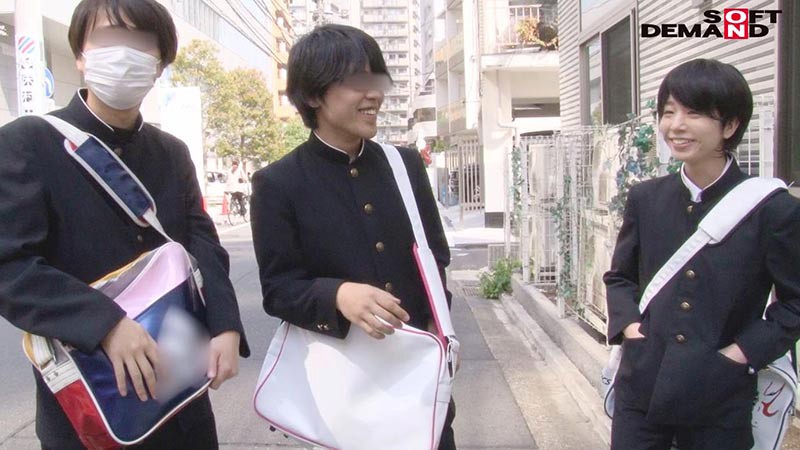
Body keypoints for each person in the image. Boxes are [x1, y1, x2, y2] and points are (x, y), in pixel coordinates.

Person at [0, 1, 249, 448]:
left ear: (159, 64)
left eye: (140, 42)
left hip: (183, 395)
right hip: (91, 402)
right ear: (80, 55)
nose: (124, 52)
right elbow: (10, 265)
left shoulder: (171, 152)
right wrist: (106, 324)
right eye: (109, 37)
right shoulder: (28, 142)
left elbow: (202, 243)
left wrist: (226, 324)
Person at [250, 24, 457, 449]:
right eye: (357, 82)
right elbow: (279, 290)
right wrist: (338, 295)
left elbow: (435, 258)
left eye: (377, 81)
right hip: (342, 400)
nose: (374, 95)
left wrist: (436, 334)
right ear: (313, 95)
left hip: (421, 390)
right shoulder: (278, 183)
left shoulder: (405, 166)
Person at [604, 58, 800, 450]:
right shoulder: (646, 198)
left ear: (730, 126)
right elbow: (620, 277)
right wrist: (631, 329)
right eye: (668, 112)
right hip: (641, 391)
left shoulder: (772, 209)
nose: (675, 125)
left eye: (693, 113)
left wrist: (740, 354)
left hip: (719, 398)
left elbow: (794, 303)